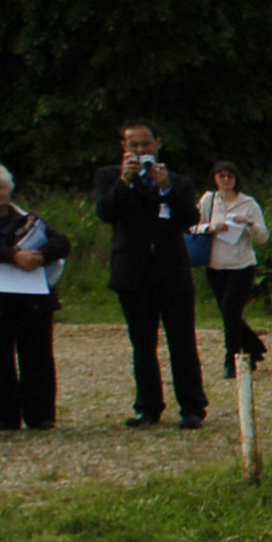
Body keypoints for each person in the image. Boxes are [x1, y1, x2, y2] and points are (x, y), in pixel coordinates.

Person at [94, 120, 208, 429]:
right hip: (133, 271)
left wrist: (166, 188)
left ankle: (192, 406)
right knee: (142, 342)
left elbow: (189, 218)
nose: (140, 150)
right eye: (134, 145)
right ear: (124, 148)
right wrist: (124, 180)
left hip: (171, 270)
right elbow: (106, 212)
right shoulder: (109, 177)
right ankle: (147, 405)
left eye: (145, 144)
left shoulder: (178, 181)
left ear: (158, 144)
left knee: (182, 341)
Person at [0, 161, 66, 432]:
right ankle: (6, 414)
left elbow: (62, 242)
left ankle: (41, 414)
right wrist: (12, 256)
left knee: (38, 357)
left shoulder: (28, 217)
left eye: (3, 187)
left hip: (32, 299)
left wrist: (39, 256)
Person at [196, 160, 271, 372]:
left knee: (231, 309)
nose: (226, 180)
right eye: (221, 176)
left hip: (241, 265)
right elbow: (194, 226)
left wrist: (249, 222)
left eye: (229, 176)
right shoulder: (209, 200)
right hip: (215, 264)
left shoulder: (248, 203)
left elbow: (263, 236)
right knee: (228, 313)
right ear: (215, 179)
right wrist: (211, 227)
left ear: (236, 179)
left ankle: (232, 357)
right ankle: (253, 345)